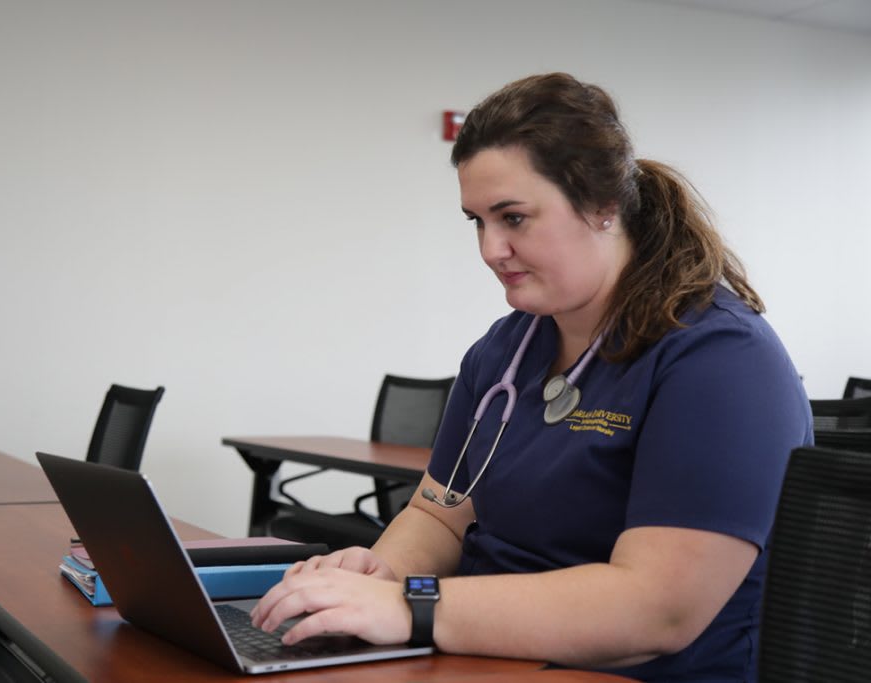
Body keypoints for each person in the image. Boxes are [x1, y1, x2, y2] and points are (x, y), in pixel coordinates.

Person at [250, 72, 812, 682]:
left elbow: (657, 611)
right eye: (477, 221)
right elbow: (440, 513)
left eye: (513, 217)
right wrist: (377, 578)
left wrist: (410, 607)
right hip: (486, 656)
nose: (491, 248)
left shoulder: (719, 359)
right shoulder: (505, 350)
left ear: (602, 207)